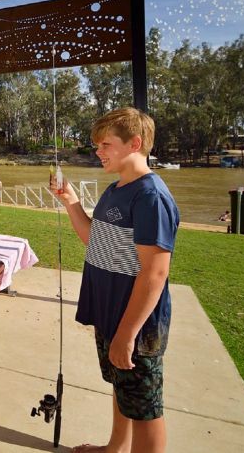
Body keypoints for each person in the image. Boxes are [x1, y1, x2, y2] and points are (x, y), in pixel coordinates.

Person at [52, 108, 179, 453]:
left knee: (146, 408)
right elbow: (96, 239)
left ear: (135, 144)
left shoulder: (150, 196)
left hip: (136, 324)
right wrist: (71, 202)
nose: (98, 152)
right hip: (111, 314)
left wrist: (127, 333)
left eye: (105, 144)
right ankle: (115, 449)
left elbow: (155, 272)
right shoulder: (115, 190)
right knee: (124, 389)